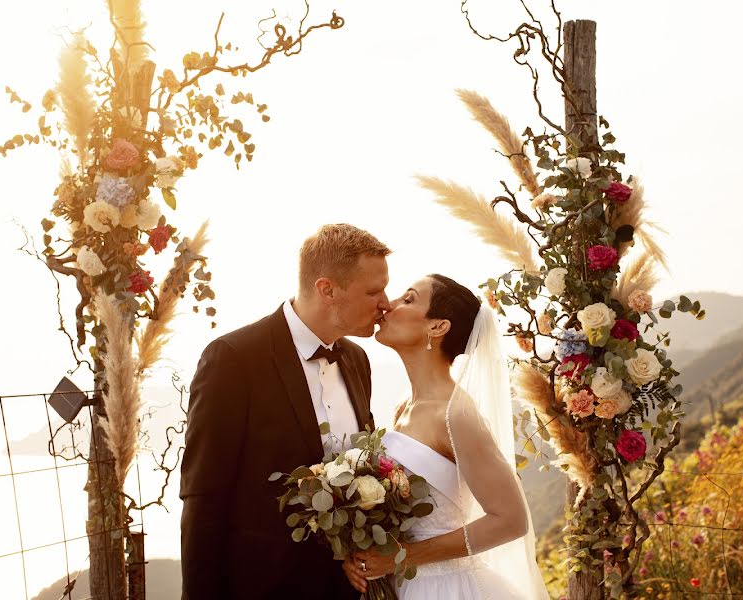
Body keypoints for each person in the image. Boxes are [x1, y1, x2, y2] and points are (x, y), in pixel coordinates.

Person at [180, 223, 392, 599]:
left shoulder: (358, 360)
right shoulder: (234, 358)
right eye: (373, 291)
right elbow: (204, 498)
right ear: (327, 289)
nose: (385, 303)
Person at [343, 274, 550, 599]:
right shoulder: (404, 407)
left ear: (437, 327)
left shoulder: (455, 414)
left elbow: (510, 520)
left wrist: (402, 557)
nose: (389, 304)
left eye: (408, 299)